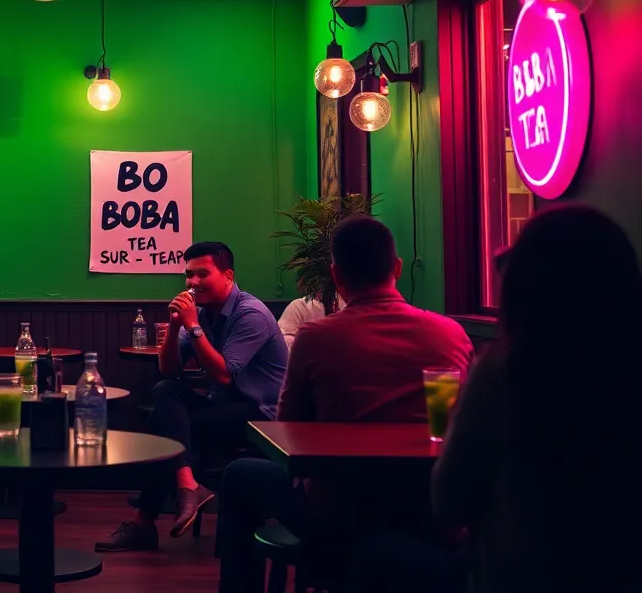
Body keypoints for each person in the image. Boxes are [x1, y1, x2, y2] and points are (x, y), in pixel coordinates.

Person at [218, 216, 474, 593]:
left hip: (338, 513)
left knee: (239, 474)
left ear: (336, 276)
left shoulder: (316, 338)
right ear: (398, 269)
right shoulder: (450, 333)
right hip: (432, 511)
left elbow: (289, 431)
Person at [433, 205, 642, 592]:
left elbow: (451, 501)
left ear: (523, 286)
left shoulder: (503, 372)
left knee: (376, 559)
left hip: (518, 576)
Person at [97, 241, 288, 552]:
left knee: (168, 430)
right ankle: (187, 484)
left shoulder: (250, 314)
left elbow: (225, 374)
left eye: (202, 274)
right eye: (188, 275)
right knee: (165, 393)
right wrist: (174, 329)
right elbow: (168, 372)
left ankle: (147, 520)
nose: (193, 282)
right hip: (224, 406)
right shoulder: (199, 312)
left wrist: (193, 327)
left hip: (263, 415)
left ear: (228, 275)